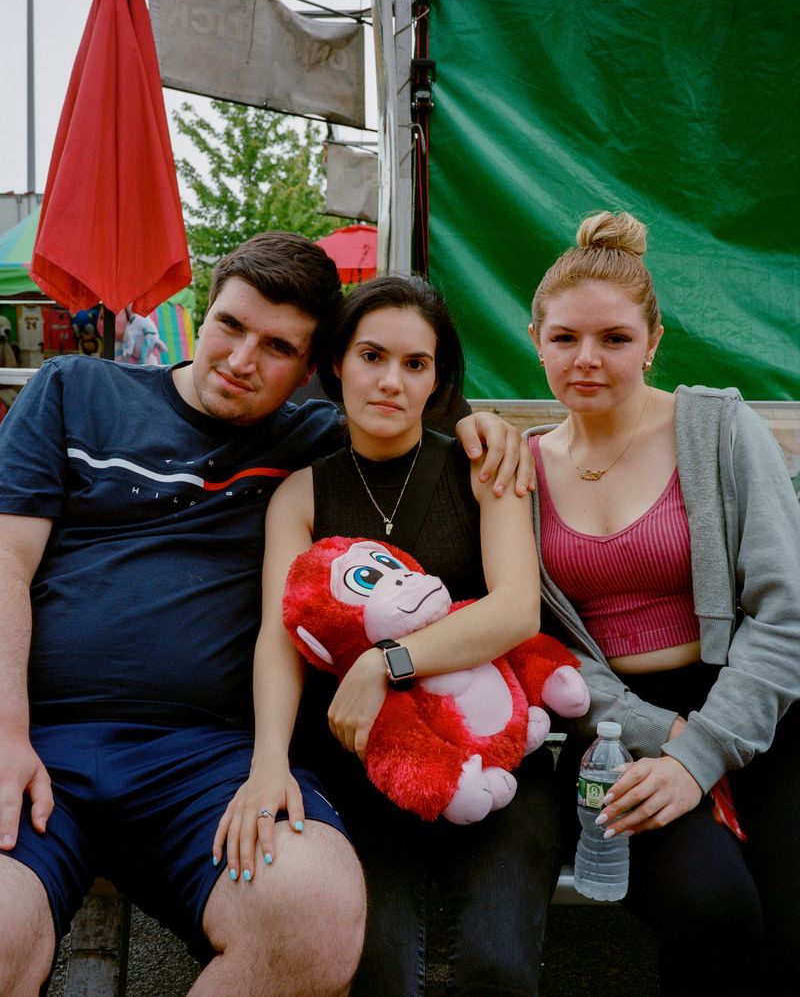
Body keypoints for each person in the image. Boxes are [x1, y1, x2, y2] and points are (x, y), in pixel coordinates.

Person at [0, 232, 529, 997]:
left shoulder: (311, 444)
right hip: (42, 740)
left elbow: (411, 411)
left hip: (208, 758)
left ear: (312, 372)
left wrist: (488, 427)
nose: (242, 360)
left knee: (312, 912)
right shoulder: (76, 391)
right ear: (203, 312)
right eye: (230, 325)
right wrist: (6, 734)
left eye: (278, 348)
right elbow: (6, 562)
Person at [216, 274, 562, 997]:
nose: (391, 381)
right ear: (337, 362)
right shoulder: (302, 494)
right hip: (362, 764)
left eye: (415, 363)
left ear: (437, 379)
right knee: (380, 972)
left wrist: (387, 663)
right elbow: (281, 635)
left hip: (494, 752)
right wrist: (269, 761)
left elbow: (515, 611)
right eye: (372, 356)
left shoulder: (482, 467)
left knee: (496, 967)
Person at [526, 210, 800, 996]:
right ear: (536, 340)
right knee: (710, 906)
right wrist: (655, 737)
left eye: (614, 338)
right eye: (565, 338)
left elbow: (787, 613)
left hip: (758, 706)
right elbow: (537, 640)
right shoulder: (520, 470)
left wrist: (699, 753)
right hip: (615, 732)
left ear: (653, 343)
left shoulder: (718, 428)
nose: (586, 358)